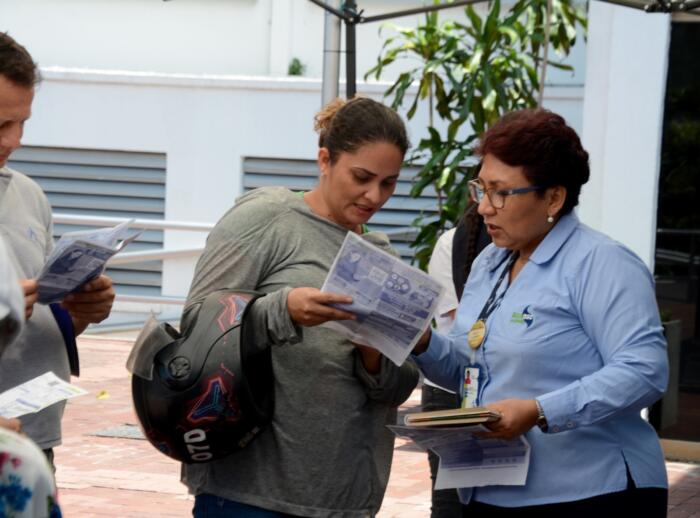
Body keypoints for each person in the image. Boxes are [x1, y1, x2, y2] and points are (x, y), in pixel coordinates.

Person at [412, 108, 669, 516]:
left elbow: (644, 370)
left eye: (500, 192)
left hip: (591, 493)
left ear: (553, 197)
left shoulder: (601, 263)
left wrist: (540, 410)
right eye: (481, 188)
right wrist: (422, 342)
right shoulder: (491, 264)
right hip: (490, 487)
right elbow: (469, 366)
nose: (483, 208)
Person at [181, 96, 419, 517]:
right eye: (362, 176)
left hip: (344, 500)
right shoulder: (268, 218)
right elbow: (196, 326)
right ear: (325, 159)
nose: (374, 195)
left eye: (389, 182)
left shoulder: (382, 257)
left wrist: (372, 352)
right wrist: (283, 310)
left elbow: (396, 389)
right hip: (248, 494)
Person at [0, 32, 115, 468]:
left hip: (35, 438)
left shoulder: (27, 194)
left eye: (22, 122)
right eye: (0, 125)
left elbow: (44, 318)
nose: (14, 141)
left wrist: (81, 311)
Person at [422, 205, 489, 518]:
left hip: (495, 390)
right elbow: (458, 317)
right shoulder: (453, 243)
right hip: (448, 386)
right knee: (449, 501)